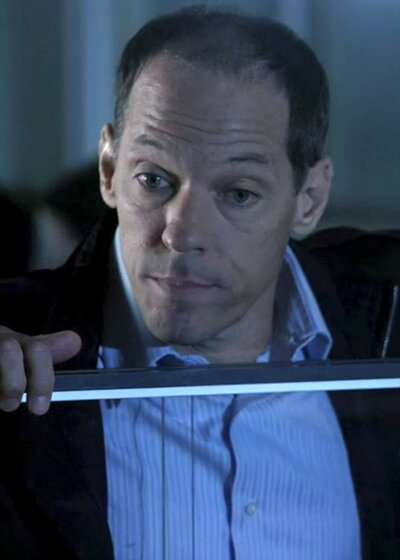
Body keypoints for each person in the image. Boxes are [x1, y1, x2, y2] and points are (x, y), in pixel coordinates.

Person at [0, 7, 399, 560]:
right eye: (153, 180)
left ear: (309, 199)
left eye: (238, 194)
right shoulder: (16, 340)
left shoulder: (381, 313)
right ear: (109, 170)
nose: (181, 234)